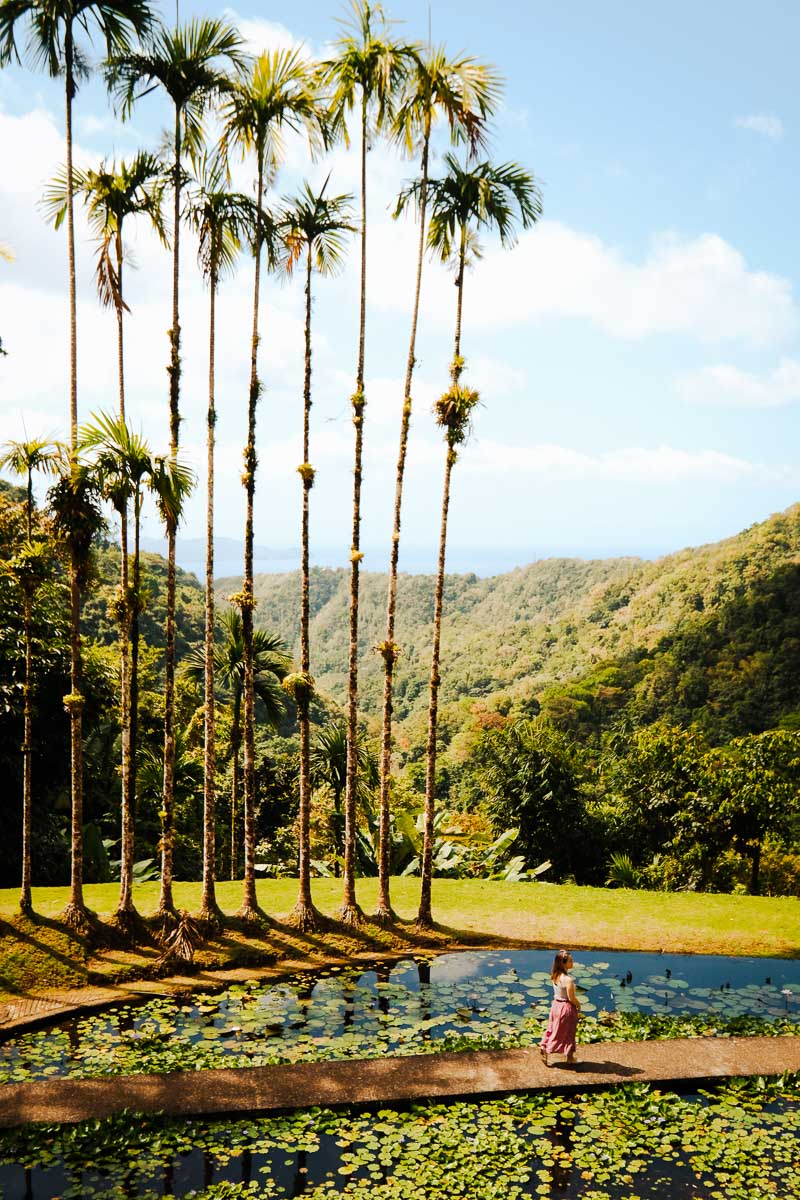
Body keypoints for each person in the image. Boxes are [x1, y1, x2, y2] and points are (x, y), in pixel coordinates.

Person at [539, 949, 580, 1067]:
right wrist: (578, 1005)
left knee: (552, 1029)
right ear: (563, 963)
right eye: (570, 961)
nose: (573, 962)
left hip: (556, 1006)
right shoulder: (568, 980)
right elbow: (571, 998)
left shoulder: (555, 976)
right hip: (566, 1008)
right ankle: (569, 1057)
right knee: (568, 1032)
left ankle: (544, 1045)